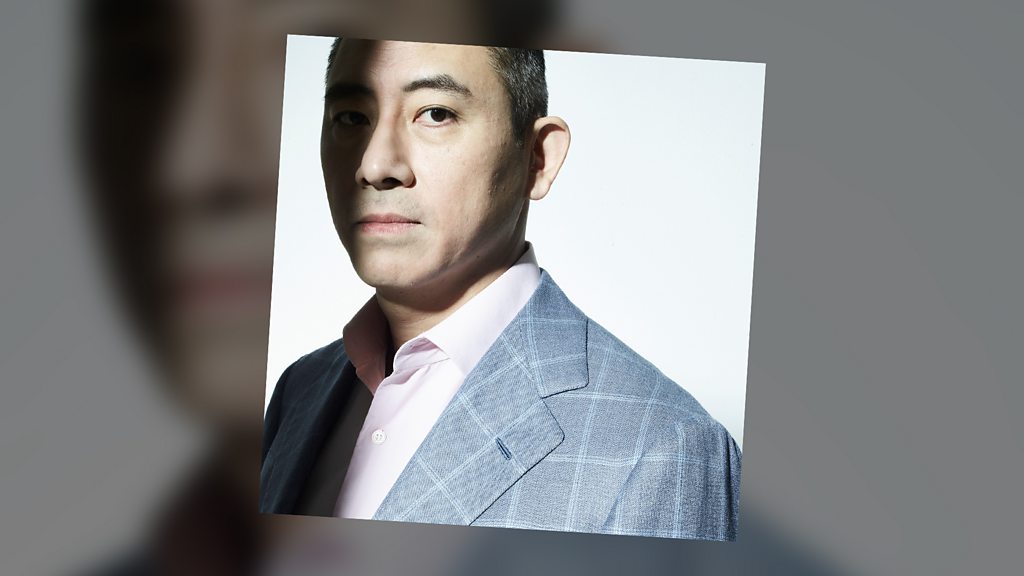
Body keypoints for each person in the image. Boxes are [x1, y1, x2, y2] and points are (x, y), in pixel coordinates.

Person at [260, 38, 741, 541]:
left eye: (436, 114)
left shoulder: (665, 451)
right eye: (352, 118)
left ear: (538, 158)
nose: (375, 165)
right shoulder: (301, 389)